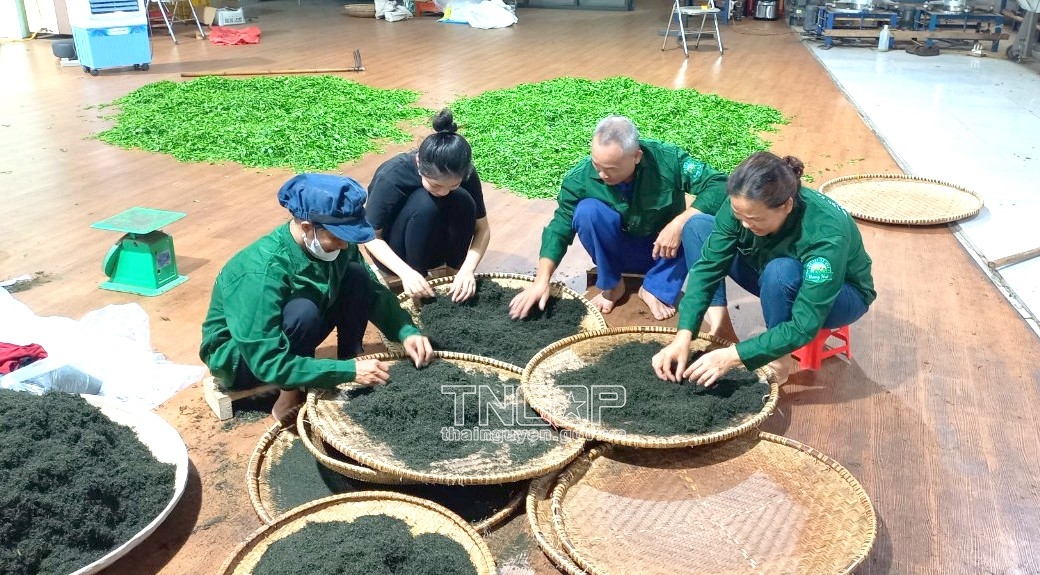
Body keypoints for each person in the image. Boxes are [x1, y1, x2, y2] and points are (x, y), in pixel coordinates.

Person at [199, 173, 434, 420]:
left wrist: (406, 331)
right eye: (337, 237)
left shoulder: (335, 245)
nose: (345, 245)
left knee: (357, 275)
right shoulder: (259, 271)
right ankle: (288, 397)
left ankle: (350, 358)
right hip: (243, 359)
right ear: (307, 227)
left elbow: (374, 292)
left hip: (296, 330)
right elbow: (267, 361)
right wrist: (347, 372)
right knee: (303, 311)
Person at [652, 151, 876, 386]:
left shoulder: (826, 233)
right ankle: (721, 329)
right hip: (769, 270)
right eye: (738, 215)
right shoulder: (743, 202)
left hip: (839, 295)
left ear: (786, 205)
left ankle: (779, 361)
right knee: (698, 227)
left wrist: (734, 355)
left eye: (754, 219)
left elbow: (804, 325)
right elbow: (707, 268)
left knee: (780, 271)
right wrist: (683, 335)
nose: (745, 224)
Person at [508, 115, 729, 321]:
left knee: (697, 224)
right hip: (616, 254)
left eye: (611, 168)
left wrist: (679, 223)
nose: (602, 174)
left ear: (636, 157)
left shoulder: (668, 160)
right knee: (586, 211)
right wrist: (541, 280)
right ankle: (613, 284)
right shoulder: (580, 178)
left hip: (666, 252)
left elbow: (720, 184)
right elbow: (560, 227)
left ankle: (655, 288)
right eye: (597, 165)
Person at [364, 108, 491, 303]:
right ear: (418, 162)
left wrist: (467, 269)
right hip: (397, 252)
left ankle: (453, 273)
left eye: (453, 185)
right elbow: (369, 236)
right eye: (436, 185)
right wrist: (406, 273)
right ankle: (420, 281)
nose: (444, 192)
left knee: (463, 199)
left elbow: (483, 228)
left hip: (435, 244)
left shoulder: (465, 172)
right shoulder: (392, 175)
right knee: (425, 203)